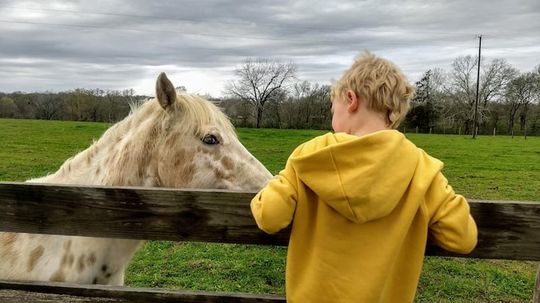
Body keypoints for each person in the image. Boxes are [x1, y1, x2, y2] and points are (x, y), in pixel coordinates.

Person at [250, 51, 478, 302]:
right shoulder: (422, 168)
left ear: (350, 99)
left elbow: (270, 217)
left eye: (332, 106)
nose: (331, 115)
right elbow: (462, 238)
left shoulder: (309, 156)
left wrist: (280, 182)